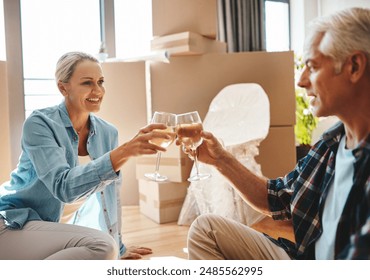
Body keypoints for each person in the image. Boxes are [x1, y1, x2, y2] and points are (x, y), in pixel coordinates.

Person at [184, 7, 370, 260]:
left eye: (312, 67)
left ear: (354, 67)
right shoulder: (332, 144)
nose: (302, 81)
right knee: (206, 229)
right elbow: (279, 199)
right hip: (305, 260)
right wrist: (219, 159)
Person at [0, 51, 172, 260]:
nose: (97, 90)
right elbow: (64, 188)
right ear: (63, 87)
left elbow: (111, 195)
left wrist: (119, 245)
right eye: (87, 83)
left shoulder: (108, 132)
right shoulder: (40, 124)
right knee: (102, 247)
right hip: (14, 221)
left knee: (107, 249)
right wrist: (125, 151)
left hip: (49, 228)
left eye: (100, 81)